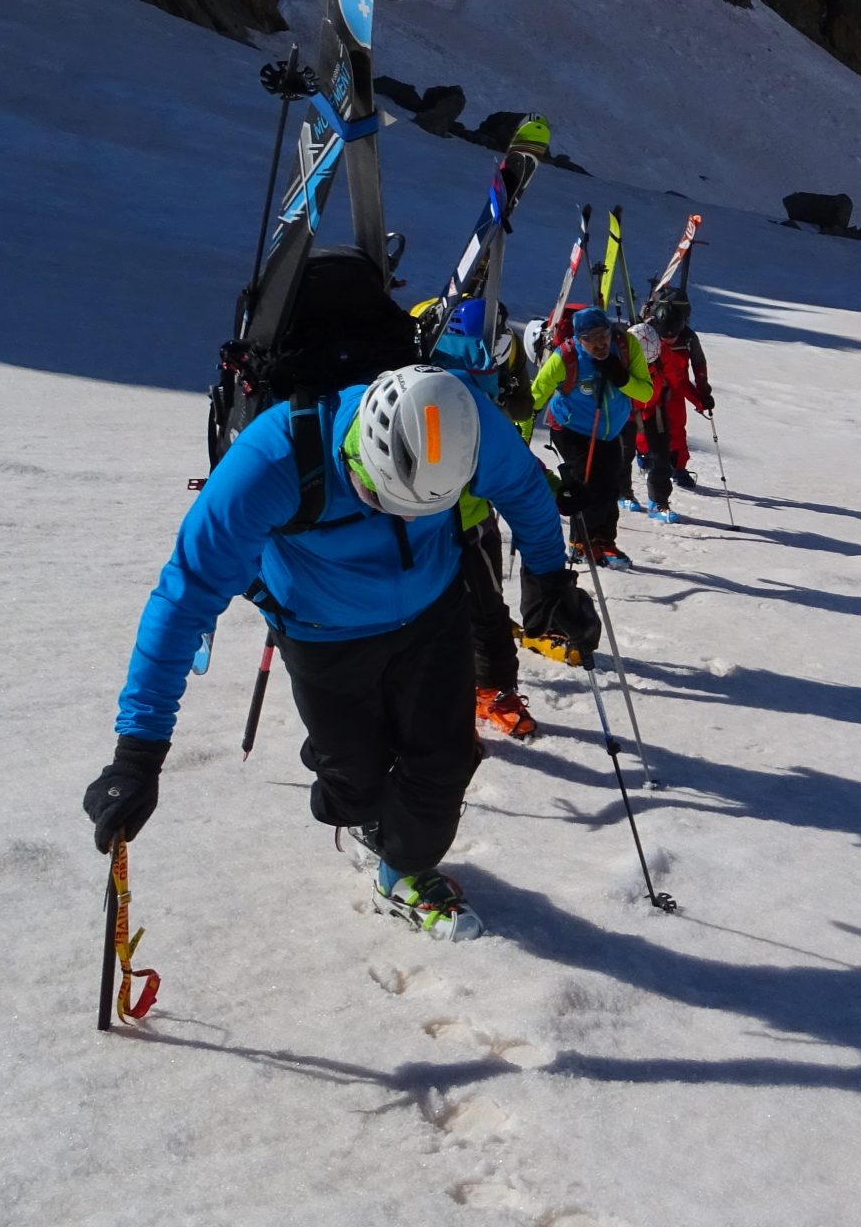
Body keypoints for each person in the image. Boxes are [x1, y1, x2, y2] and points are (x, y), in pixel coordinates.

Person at [81, 364, 579, 940]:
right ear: (359, 454)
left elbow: (522, 488)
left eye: (418, 512)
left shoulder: (463, 420)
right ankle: (345, 777)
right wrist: (138, 754)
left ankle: (404, 874)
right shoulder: (272, 460)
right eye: (379, 499)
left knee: (444, 762)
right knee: (355, 787)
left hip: (434, 612)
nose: (396, 520)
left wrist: (549, 583)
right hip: (322, 635)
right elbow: (184, 596)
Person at [426, 296, 546, 741]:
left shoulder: (501, 335)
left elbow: (518, 400)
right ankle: (429, 703)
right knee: (423, 617)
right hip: (419, 516)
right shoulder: (426, 323)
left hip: (472, 514)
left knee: (485, 608)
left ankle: (491, 690)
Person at [531, 305, 651, 575]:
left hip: (609, 430)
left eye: (603, 335)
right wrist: (517, 424)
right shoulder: (566, 357)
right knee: (588, 486)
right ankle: (580, 543)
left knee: (610, 487)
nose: (600, 343)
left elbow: (645, 393)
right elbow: (537, 393)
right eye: (591, 338)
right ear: (578, 339)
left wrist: (620, 377)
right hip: (571, 429)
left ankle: (604, 542)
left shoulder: (626, 345)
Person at [636, 288, 714, 524]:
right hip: (646, 390)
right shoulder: (645, 334)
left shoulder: (688, 338)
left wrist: (702, 396)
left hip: (673, 390)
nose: (670, 340)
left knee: (677, 429)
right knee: (643, 427)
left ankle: (678, 467)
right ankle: (645, 454)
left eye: (674, 336)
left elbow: (692, 370)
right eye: (666, 337)